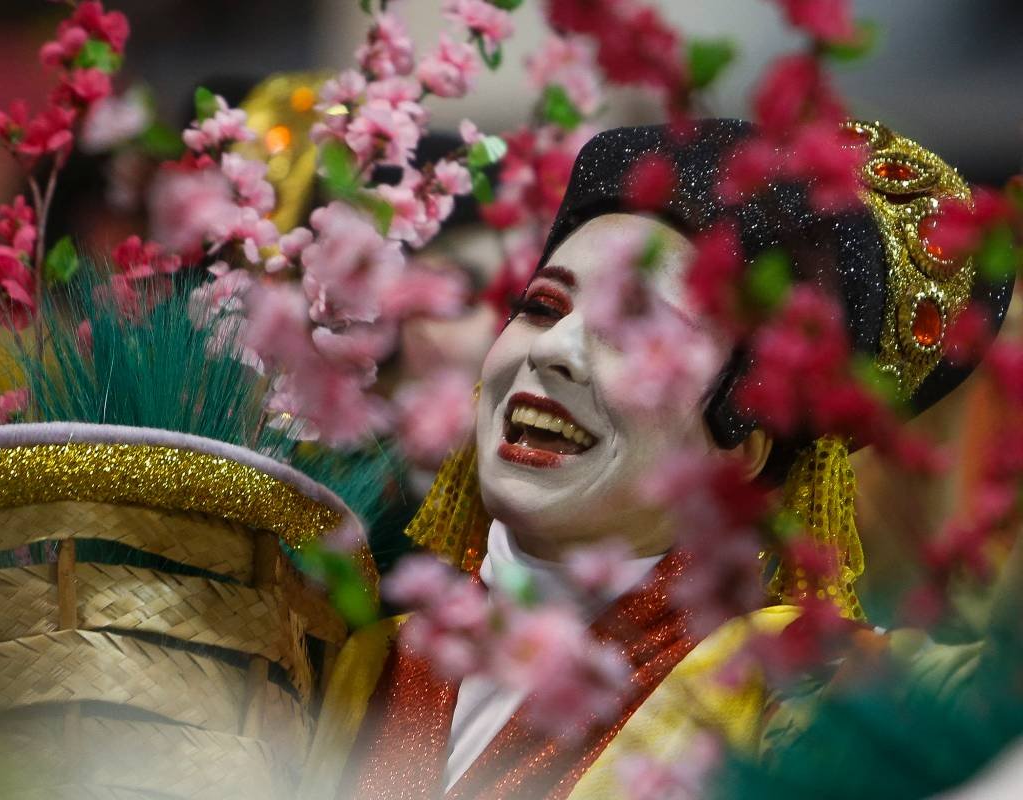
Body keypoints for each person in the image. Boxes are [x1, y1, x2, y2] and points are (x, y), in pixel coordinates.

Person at [296, 119, 1015, 800]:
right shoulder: (351, 663)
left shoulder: (805, 693)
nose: (552, 351)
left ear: (745, 449)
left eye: (633, 328)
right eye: (543, 307)